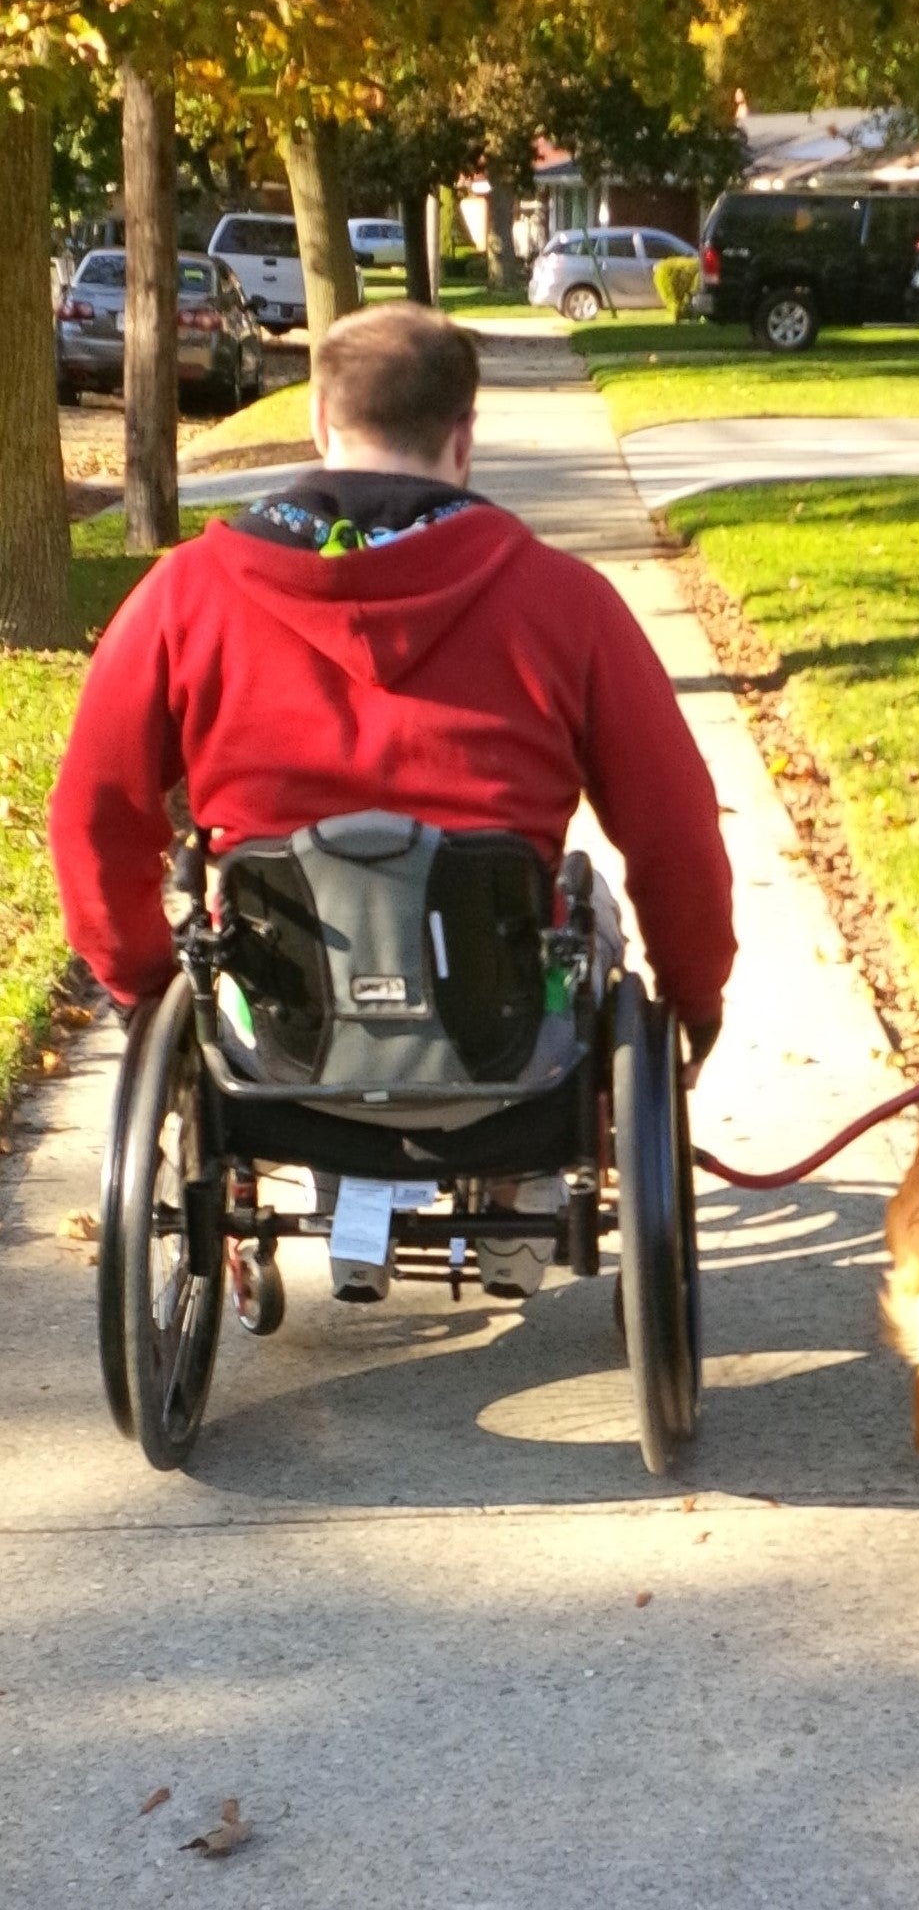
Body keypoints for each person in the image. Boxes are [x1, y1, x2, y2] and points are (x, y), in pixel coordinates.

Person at [49, 302, 736, 1297]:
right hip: (502, 1046)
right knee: (587, 908)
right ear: (461, 439)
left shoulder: (184, 595)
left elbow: (90, 816)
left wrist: (141, 984)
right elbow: (673, 832)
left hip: (274, 1047)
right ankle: (508, 1191)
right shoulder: (565, 602)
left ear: (322, 423)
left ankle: (339, 1169)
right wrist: (695, 999)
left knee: (253, 925)